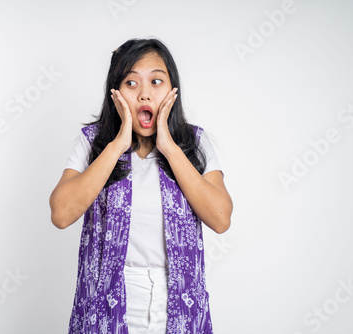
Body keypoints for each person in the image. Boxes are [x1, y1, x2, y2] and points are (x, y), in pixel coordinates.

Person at [49, 38, 233, 334]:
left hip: (178, 300)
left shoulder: (194, 144)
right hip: (107, 300)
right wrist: (118, 144)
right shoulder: (93, 143)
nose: (145, 95)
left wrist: (169, 148)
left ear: (173, 90)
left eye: (156, 81)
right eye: (131, 84)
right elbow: (61, 213)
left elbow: (221, 218)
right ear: (115, 92)